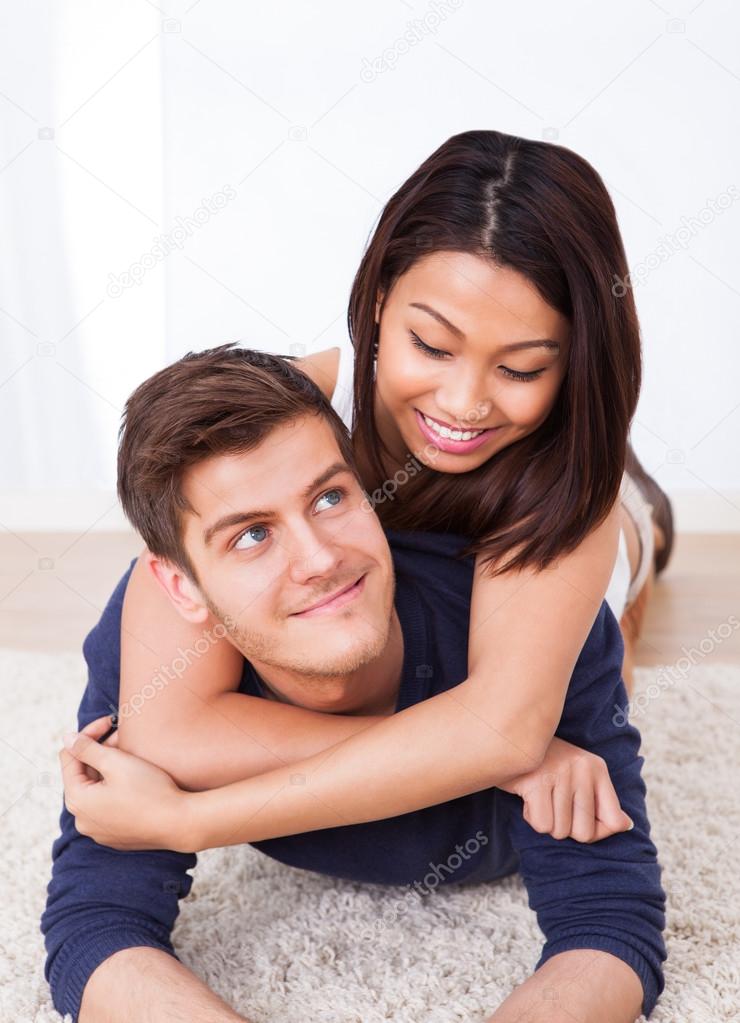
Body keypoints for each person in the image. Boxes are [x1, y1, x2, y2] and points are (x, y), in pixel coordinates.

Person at [45, 347, 666, 1023]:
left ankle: (640, 527)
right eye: (252, 535)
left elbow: (610, 925)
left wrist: (506, 734)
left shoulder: (533, 636)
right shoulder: (150, 667)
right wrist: (494, 749)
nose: (319, 559)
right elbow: (96, 924)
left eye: (331, 496)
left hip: (580, 544)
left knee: (619, 602)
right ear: (180, 587)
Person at [111, 130, 672, 829]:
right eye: (432, 346)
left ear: (573, 359)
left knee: (609, 658)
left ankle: (642, 517)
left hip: (598, 514)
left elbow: (502, 732)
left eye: (521, 368)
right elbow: (168, 729)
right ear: (379, 300)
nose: (464, 402)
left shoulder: (567, 486)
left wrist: (185, 820)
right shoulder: (274, 419)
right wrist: (453, 748)